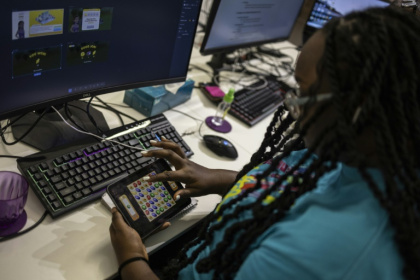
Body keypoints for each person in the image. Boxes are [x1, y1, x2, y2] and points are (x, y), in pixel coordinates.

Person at [109, 6, 420, 280]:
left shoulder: (320, 254)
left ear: (358, 107)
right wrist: (219, 178)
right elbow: (292, 187)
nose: (292, 102)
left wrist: (131, 261)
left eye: (303, 88)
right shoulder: (357, 153)